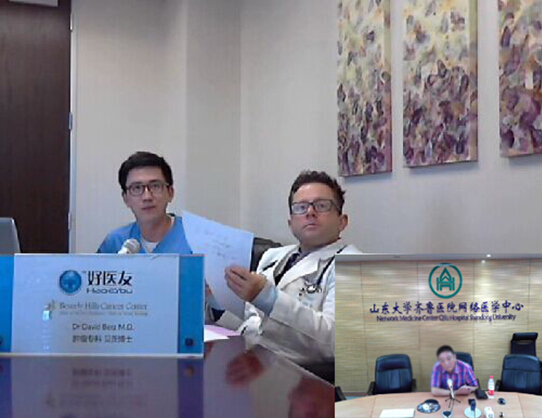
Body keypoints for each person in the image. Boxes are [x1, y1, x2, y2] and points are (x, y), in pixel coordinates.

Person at [223, 170, 359, 364]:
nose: (310, 212)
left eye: (322, 205)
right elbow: (252, 319)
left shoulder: (353, 265)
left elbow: (335, 342)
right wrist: (218, 301)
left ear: (342, 221)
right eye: (301, 207)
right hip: (245, 361)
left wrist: (267, 297)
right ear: (291, 223)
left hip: (294, 374)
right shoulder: (272, 256)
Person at [97, 151, 191, 254]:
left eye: (155, 186)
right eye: (137, 188)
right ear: (125, 199)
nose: (147, 197)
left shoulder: (197, 238)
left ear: (170, 193)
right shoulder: (115, 242)